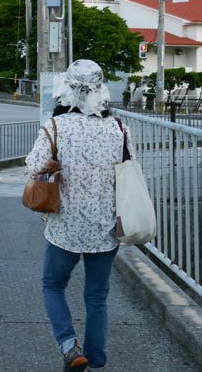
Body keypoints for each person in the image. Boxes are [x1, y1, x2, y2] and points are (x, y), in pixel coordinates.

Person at [26, 59, 131, 372]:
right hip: (106, 227)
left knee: (52, 285)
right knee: (97, 297)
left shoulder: (57, 127)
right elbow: (129, 170)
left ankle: (70, 346)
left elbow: (33, 166)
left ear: (67, 89)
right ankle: (96, 361)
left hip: (65, 227)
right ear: (101, 89)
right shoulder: (119, 128)